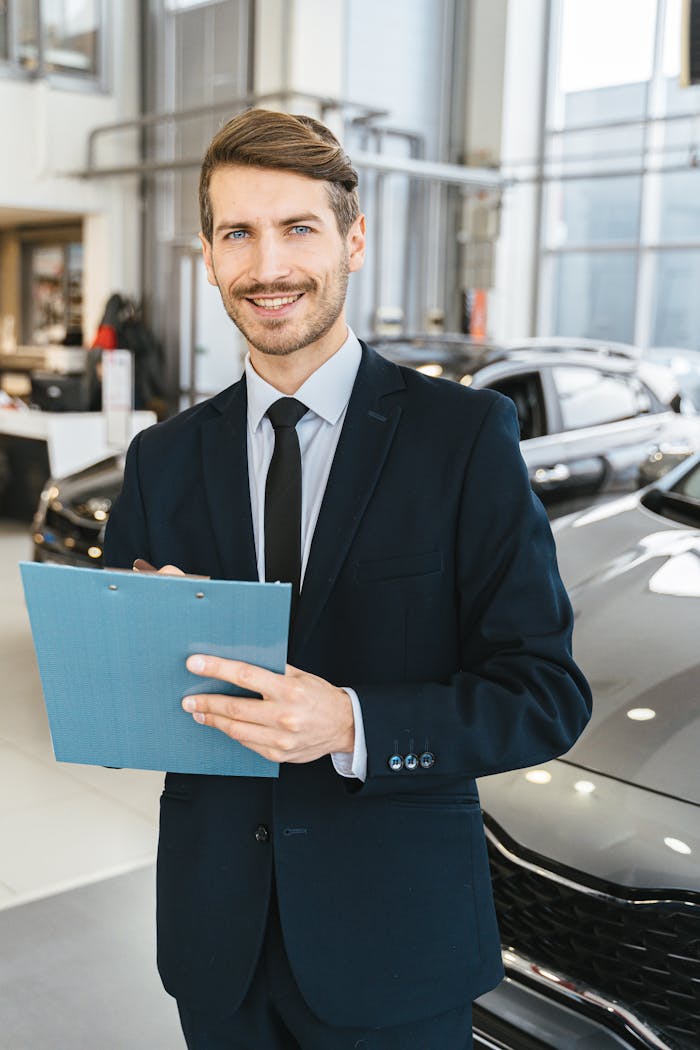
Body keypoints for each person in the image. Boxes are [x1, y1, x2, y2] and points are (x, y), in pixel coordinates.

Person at [104, 108, 591, 1050]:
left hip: (397, 943)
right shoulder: (161, 459)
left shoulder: (465, 441)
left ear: (353, 240)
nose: (268, 266)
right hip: (219, 946)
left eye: (299, 228)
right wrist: (132, 656)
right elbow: (132, 701)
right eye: (238, 233)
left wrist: (350, 724)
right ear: (207, 255)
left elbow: (543, 695)